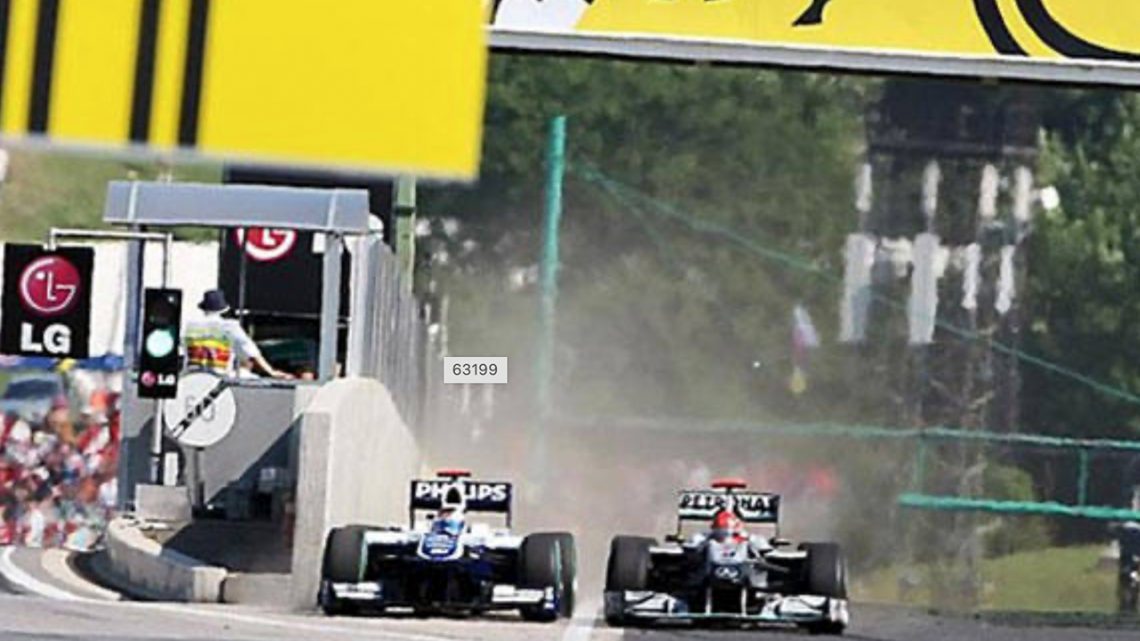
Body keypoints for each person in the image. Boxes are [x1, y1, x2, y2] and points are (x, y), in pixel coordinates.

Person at [184, 290, 291, 380]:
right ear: (224, 310)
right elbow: (252, 352)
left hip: (191, 379)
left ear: (204, 309)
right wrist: (271, 371)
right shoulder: (230, 327)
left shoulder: (190, 326)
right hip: (218, 380)